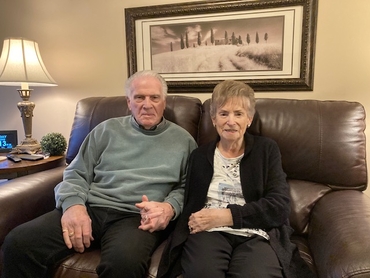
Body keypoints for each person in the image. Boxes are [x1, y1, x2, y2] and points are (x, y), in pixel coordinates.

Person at [1, 70, 198, 278]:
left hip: (136, 217)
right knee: (19, 243)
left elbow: (189, 187)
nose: (147, 104)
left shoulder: (183, 141)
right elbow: (76, 171)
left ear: (164, 102)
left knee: (123, 265)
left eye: (154, 97)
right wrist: (73, 205)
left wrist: (168, 208)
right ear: (129, 102)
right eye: (139, 97)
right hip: (90, 207)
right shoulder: (106, 130)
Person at [157, 80, 315, 278]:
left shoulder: (266, 150)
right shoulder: (199, 156)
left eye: (238, 114)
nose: (230, 121)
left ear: (249, 118)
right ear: (213, 119)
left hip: (256, 234)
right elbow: (188, 200)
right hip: (208, 233)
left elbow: (279, 207)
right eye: (223, 113)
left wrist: (226, 216)